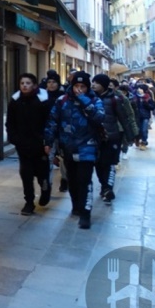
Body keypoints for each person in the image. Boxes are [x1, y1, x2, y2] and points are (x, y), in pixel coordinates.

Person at [44, 71, 105, 229]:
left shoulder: (94, 100)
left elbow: (99, 117)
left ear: (87, 87)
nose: (79, 89)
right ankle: (76, 206)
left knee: (85, 180)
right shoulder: (62, 100)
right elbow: (52, 121)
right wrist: (48, 141)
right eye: (76, 86)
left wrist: (83, 99)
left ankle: (85, 213)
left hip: (88, 146)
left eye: (82, 86)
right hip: (68, 147)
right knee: (72, 179)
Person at [6, 73, 51, 215]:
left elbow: (50, 122)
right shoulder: (15, 101)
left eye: (28, 83)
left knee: (41, 173)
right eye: (22, 83)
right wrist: (14, 138)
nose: (24, 86)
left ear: (34, 85)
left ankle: (45, 188)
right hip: (23, 145)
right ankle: (29, 202)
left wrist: (47, 140)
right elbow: (10, 122)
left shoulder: (43, 101)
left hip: (40, 145)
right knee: (26, 174)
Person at [91, 74, 138, 205]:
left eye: (97, 83)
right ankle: (104, 186)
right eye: (93, 82)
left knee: (109, 163)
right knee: (98, 164)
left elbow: (124, 118)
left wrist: (130, 136)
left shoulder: (115, 99)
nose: (93, 85)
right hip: (95, 137)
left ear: (104, 85)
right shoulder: (90, 98)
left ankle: (108, 188)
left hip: (112, 137)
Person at [42, 70, 68, 192]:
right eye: (49, 82)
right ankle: (47, 185)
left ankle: (65, 179)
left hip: (62, 132)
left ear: (58, 83)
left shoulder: (64, 97)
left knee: (63, 158)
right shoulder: (42, 97)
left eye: (54, 82)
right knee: (48, 158)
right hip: (48, 133)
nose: (51, 84)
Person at [131, 85, 155, 149]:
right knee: (138, 130)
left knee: (144, 130)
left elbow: (153, 107)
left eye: (140, 88)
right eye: (138, 88)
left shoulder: (148, 98)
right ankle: (137, 140)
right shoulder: (135, 97)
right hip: (137, 116)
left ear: (144, 90)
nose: (139, 89)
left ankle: (144, 142)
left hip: (145, 116)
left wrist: (147, 105)